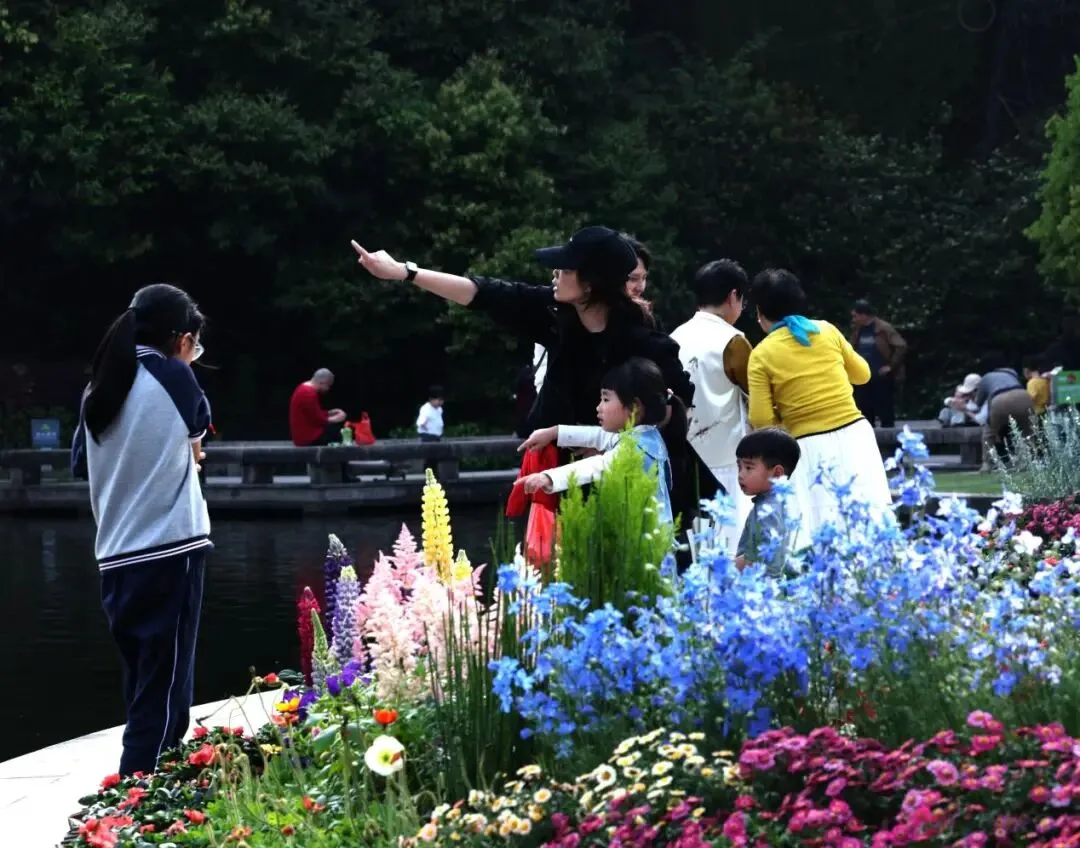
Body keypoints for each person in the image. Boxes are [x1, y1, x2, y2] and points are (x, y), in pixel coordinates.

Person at [349, 227, 693, 436]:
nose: (555, 274)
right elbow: (482, 292)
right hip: (551, 467)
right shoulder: (554, 312)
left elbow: (677, 410)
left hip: (621, 475)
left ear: (592, 283)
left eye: (565, 269)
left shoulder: (645, 342)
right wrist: (404, 272)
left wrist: (606, 442)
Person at [70, 283, 212, 776]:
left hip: (114, 557)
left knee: (142, 684)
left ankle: (142, 789)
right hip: (171, 549)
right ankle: (141, 794)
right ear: (182, 338)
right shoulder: (174, 374)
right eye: (194, 344)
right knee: (166, 690)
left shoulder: (99, 387)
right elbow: (196, 441)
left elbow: (82, 463)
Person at [747, 270, 892, 543]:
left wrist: (785, 417)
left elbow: (761, 419)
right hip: (856, 435)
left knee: (817, 527)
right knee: (868, 519)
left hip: (806, 445)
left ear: (759, 312)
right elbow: (862, 374)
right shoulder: (826, 330)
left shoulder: (761, 354)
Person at [516, 358, 684, 525]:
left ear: (634, 407)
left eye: (606, 399)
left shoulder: (638, 448)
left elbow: (599, 465)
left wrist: (548, 478)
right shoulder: (647, 436)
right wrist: (554, 432)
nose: (599, 407)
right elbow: (599, 436)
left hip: (647, 538)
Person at [669, 259, 754, 553]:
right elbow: (757, 396)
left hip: (684, 458)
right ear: (733, 296)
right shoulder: (733, 341)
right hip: (726, 460)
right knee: (729, 545)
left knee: (694, 546)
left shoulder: (675, 337)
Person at [532, 233, 654, 393]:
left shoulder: (644, 327)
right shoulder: (559, 316)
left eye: (644, 278)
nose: (641, 287)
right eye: (632, 278)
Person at [734, 428, 801, 577]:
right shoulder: (776, 502)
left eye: (748, 467)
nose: (740, 475)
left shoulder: (767, 510)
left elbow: (761, 558)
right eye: (739, 467)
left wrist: (727, 567)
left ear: (777, 474)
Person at [849, 299, 907, 428]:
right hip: (863, 376)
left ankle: (889, 437)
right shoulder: (857, 330)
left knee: (885, 409)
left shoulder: (883, 328)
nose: (853, 319)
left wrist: (890, 366)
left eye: (855, 316)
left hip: (881, 376)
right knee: (864, 409)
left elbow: (901, 346)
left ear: (863, 315)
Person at [974, 355, 1034, 470]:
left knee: (989, 433)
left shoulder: (986, 377)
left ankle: (986, 464)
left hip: (1000, 399)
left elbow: (979, 402)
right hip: (1023, 396)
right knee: (1027, 431)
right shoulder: (1012, 373)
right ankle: (1029, 461)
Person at [289, 368, 346, 446]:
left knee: (334, 431)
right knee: (338, 433)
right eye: (328, 385)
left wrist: (329, 413)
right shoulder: (308, 393)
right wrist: (336, 419)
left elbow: (313, 413)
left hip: (305, 433)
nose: (328, 389)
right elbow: (318, 420)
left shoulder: (303, 387)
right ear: (322, 383)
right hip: (307, 438)